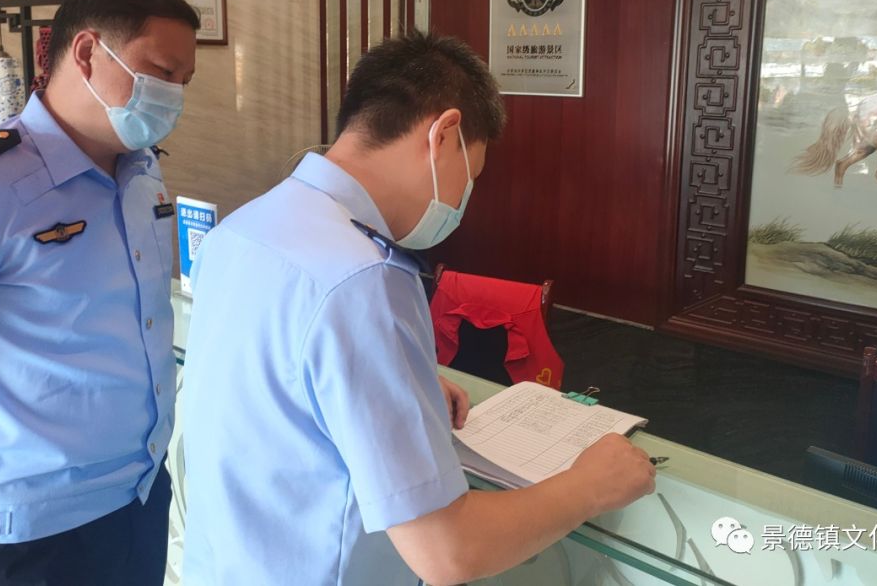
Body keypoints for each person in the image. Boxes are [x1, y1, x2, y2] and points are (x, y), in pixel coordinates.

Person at [180, 31, 655, 586]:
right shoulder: (364, 277)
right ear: (443, 134)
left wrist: (397, 376)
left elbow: (272, 379)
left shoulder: (247, 226)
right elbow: (449, 550)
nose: (461, 200)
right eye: (471, 177)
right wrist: (590, 485)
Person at [0, 0, 199, 586]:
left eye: (183, 81)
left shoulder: (141, 171)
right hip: (26, 526)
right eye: (161, 72)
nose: (173, 95)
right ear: (87, 52)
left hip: (138, 494)